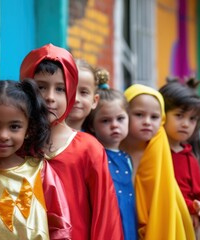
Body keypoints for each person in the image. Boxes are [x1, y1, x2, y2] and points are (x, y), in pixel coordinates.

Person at [20, 43, 123, 239]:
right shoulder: (17, 146)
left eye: (60, 89)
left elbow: (106, 216)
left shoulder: (89, 148)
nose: (50, 97)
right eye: (41, 87)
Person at [0, 79, 71, 239]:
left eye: (14, 127)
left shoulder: (41, 172)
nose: (3, 136)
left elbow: (60, 226)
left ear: (29, 129)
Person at [120, 84, 195, 239]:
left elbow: (162, 199)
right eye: (139, 114)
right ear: (124, 114)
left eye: (154, 117)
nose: (147, 122)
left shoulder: (158, 149)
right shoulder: (111, 147)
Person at [159, 78, 200, 238]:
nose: (186, 124)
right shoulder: (156, 155)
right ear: (161, 114)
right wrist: (193, 207)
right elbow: (164, 196)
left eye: (192, 119)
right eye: (179, 115)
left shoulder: (191, 159)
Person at [84, 69, 138, 239]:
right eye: (106, 120)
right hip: (109, 223)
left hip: (129, 219)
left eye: (120, 119)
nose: (115, 125)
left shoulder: (127, 158)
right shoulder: (96, 156)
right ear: (92, 126)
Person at [66, 59, 99, 131]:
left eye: (84, 92)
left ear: (94, 101)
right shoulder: (40, 137)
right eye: (69, 91)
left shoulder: (95, 140)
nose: (75, 99)